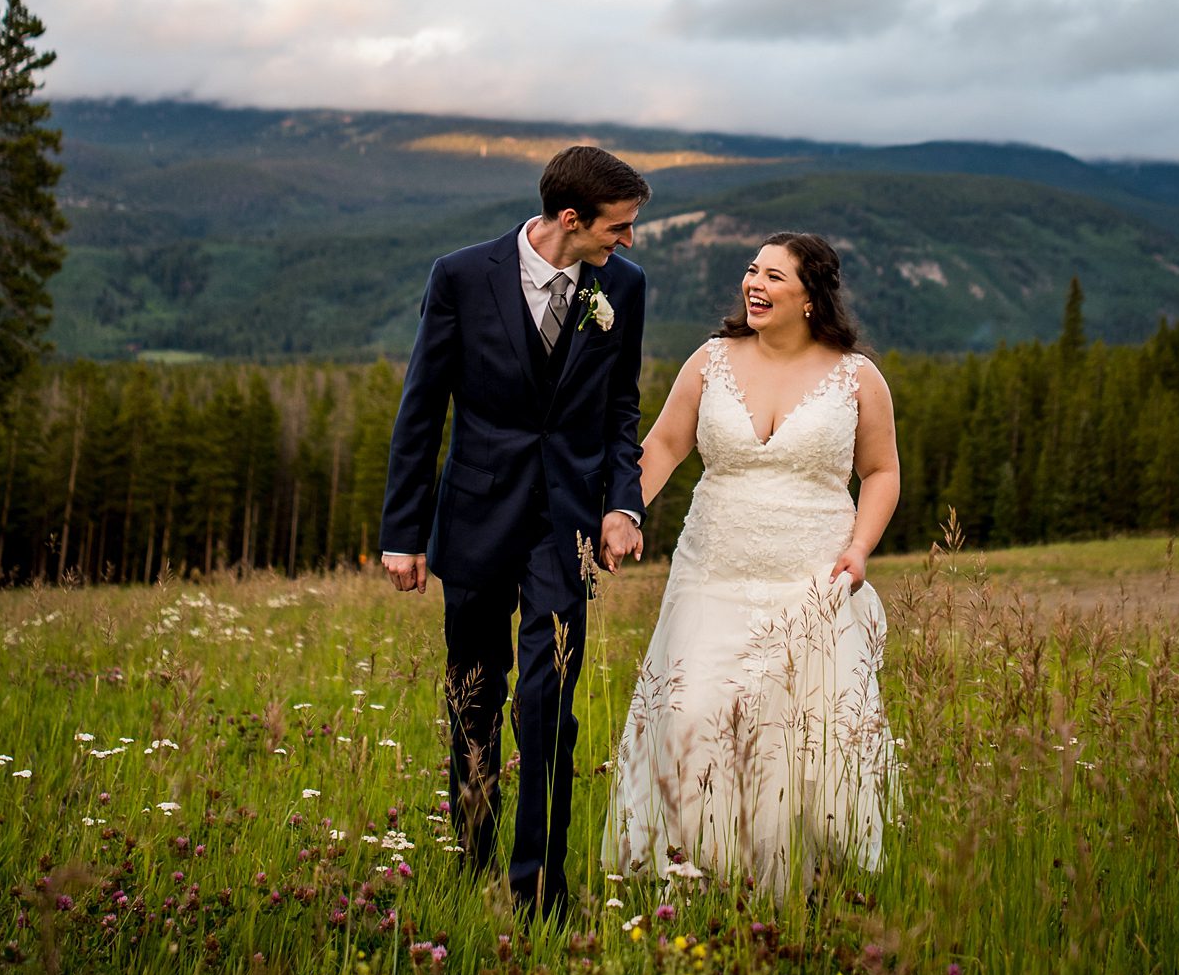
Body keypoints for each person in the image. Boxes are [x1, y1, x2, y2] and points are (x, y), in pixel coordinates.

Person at [378, 143, 651, 921]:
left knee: (549, 704)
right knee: (473, 698)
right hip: (473, 513)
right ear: (572, 219)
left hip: (563, 526)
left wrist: (621, 504)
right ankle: (472, 868)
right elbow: (422, 408)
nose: (626, 242)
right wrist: (404, 531)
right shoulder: (461, 275)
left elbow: (622, 409)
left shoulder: (622, 289)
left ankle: (539, 890)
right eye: (618, 227)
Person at [603, 232, 900, 890]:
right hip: (711, 570)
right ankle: (695, 874)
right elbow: (662, 447)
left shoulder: (857, 377)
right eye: (751, 270)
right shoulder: (710, 361)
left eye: (774, 276)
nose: (754, 284)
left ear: (811, 298)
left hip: (813, 578)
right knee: (692, 713)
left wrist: (859, 548)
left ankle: (788, 887)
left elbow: (880, 472)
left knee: (796, 740)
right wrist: (623, 515)